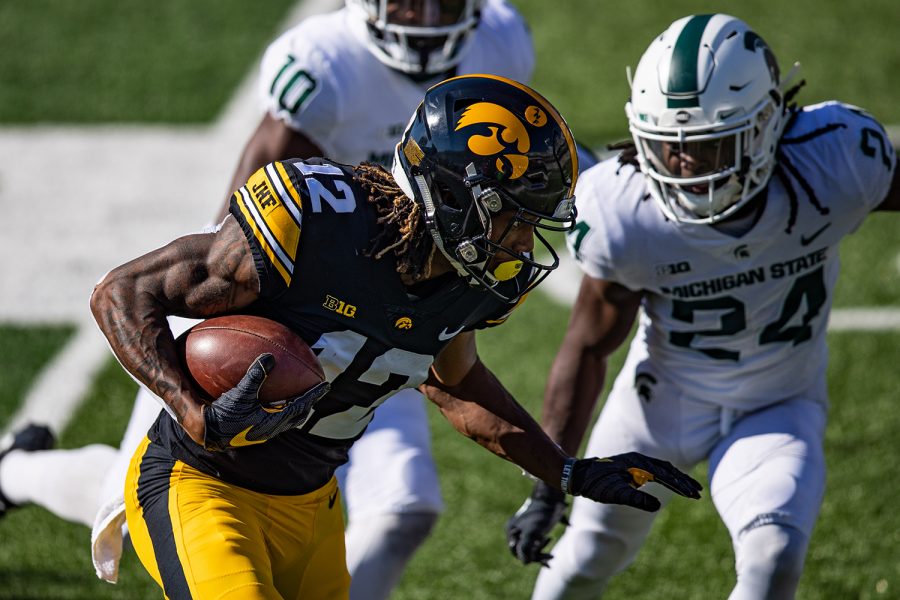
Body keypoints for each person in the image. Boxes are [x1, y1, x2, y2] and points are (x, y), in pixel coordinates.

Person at [89, 74, 702, 600]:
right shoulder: (314, 223)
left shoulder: (473, 284)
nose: (522, 244)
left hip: (314, 506)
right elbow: (119, 292)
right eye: (515, 216)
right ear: (455, 195)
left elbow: (456, 385)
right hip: (203, 485)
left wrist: (565, 471)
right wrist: (192, 410)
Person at [0, 1, 540, 595]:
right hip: (297, 307)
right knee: (129, 503)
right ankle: (15, 472)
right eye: (411, 0)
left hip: (399, 312)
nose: (428, 15)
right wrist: (257, 299)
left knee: (406, 508)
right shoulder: (327, 63)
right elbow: (233, 224)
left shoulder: (502, 47)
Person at [504, 13, 899, 600]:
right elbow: (588, 345)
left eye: (711, 145)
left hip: (777, 403)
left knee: (774, 554)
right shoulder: (623, 211)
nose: (685, 168)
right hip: (660, 403)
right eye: (666, 148)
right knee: (582, 558)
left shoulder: (835, 160)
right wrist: (547, 482)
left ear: (767, 125)